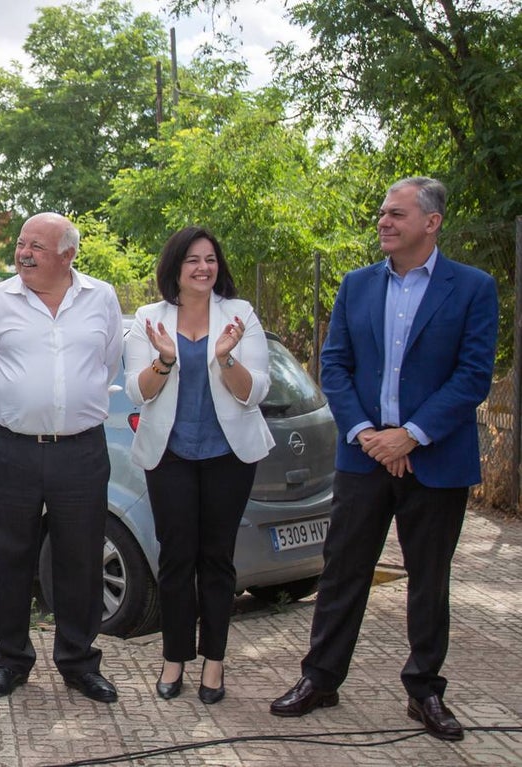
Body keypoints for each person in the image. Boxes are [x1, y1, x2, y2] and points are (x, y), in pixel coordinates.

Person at [270, 177, 497, 741]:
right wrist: (370, 434)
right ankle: (320, 679)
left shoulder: (472, 287)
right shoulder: (357, 285)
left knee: (428, 581)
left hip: (435, 461)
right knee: (343, 571)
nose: (383, 222)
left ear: (431, 222)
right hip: (364, 458)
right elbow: (336, 363)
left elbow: (472, 376)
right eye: (381, 214)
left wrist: (412, 435)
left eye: (396, 214)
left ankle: (423, 692)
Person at [0, 212, 124, 703]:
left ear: (68, 255)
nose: (24, 253)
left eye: (37, 245)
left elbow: (109, 362)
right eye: (21, 243)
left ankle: (78, 663)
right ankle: (11, 661)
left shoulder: (102, 298)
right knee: (9, 560)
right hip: (13, 449)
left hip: (81, 451)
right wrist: (23, 405)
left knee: (80, 563)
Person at [123, 226, 275, 704]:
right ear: (175, 267)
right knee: (175, 559)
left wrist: (226, 359)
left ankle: (214, 663)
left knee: (217, 560)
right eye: (193, 260)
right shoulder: (150, 318)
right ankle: (174, 660)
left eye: (210, 259)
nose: (203, 267)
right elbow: (137, 391)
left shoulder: (240, 314)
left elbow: (255, 391)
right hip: (169, 457)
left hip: (228, 457)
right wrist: (165, 361)